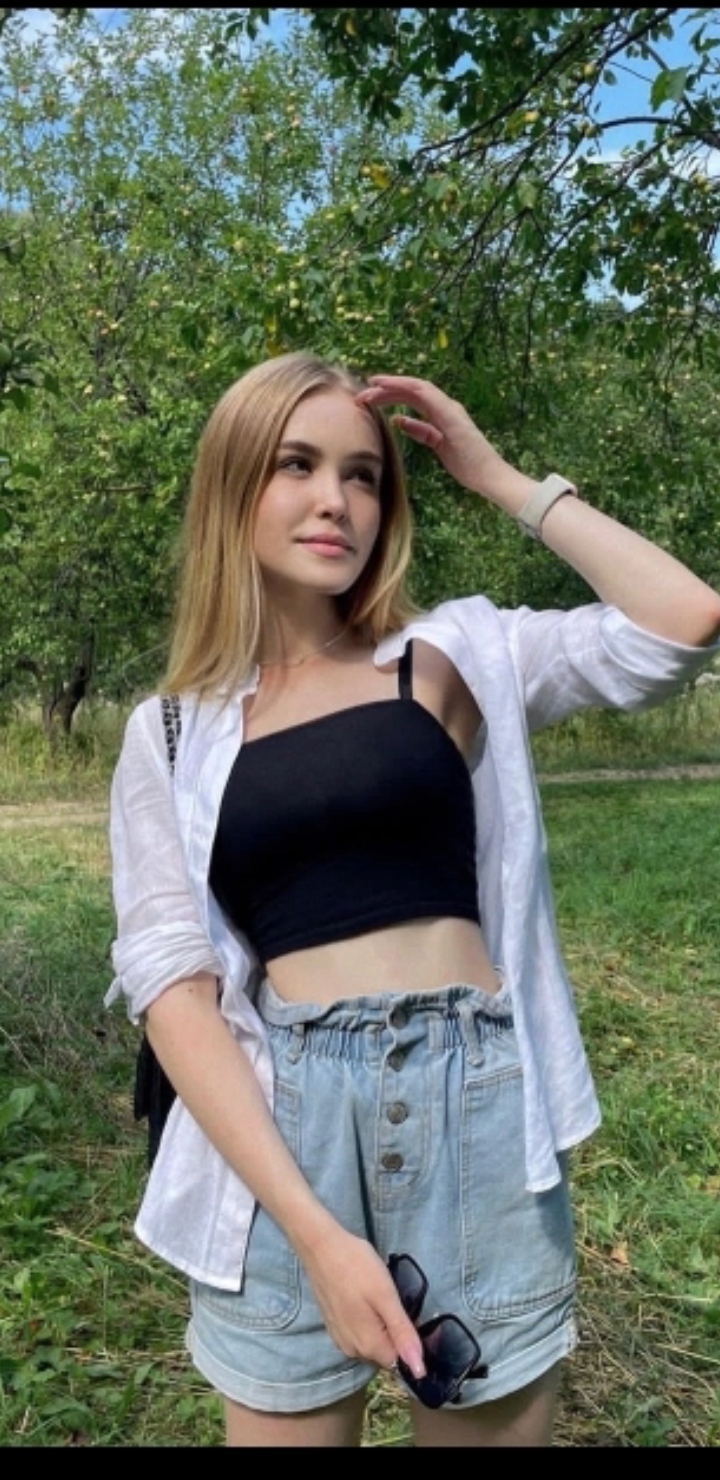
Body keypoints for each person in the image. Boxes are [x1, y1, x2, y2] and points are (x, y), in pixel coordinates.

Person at [107, 350, 720, 1448]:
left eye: (364, 474)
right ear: (233, 483)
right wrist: (318, 1235)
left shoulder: (451, 655)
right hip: (283, 1133)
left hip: (474, 1103)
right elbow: (173, 992)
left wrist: (499, 478)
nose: (336, 499)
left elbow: (681, 620)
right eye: (297, 464)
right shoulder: (171, 728)